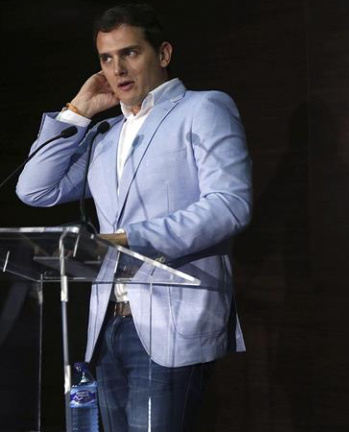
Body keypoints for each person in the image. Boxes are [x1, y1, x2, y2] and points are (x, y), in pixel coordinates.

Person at [15, 4, 252, 431]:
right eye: (106, 58)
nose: (117, 69)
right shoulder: (104, 135)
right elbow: (35, 189)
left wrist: (129, 238)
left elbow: (229, 204)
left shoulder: (203, 109)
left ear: (163, 53)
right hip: (107, 325)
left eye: (130, 53)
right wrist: (78, 112)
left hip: (171, 321)